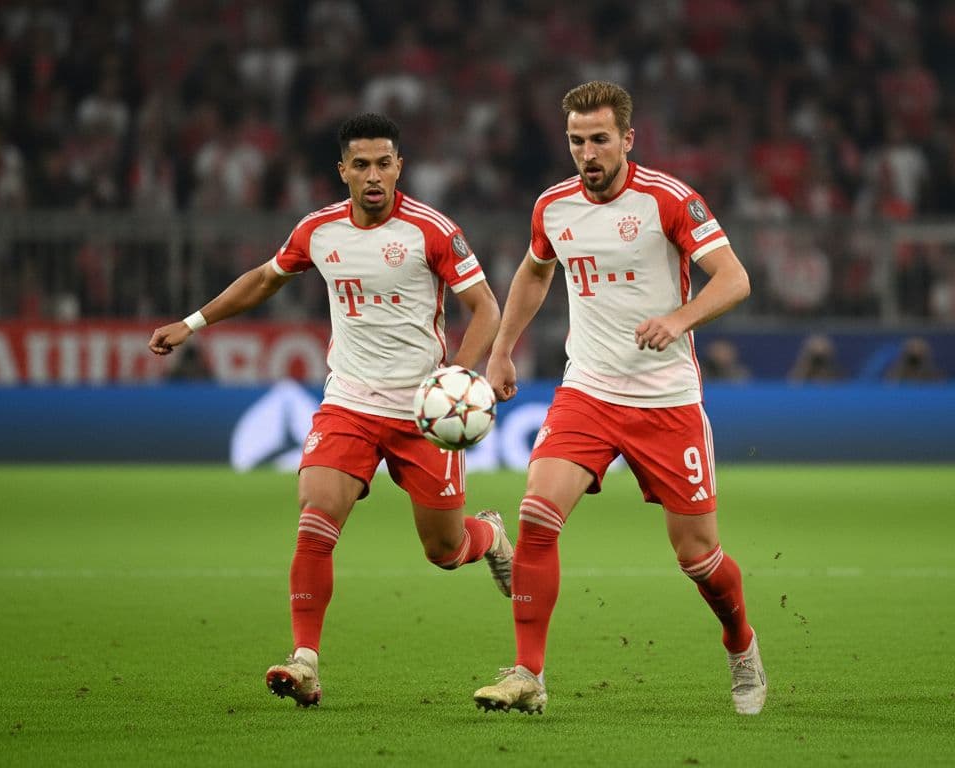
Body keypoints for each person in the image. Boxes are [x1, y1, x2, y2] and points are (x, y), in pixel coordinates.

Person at [148, 113, 511, 708]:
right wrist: (193, 323)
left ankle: (491, 537)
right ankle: (306, 661)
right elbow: (265, 280)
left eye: (384, 163)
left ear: (400, 167)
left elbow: (485, 307)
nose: (373, 175)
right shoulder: (318, 229)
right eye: (361, 164)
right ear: (342, 170)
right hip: (348, 402)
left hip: (424, 412)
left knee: (444, 551)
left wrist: (456, 380)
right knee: (316, 514)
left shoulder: (432, 230)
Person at [471, 81, 766, 716]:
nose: (588, 153)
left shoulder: (669, 199)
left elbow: (735, 278)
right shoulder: (553, 206)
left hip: (667, 402)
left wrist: (680, 319)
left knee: (698, 557)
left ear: (628, 139)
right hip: (589, 392)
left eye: (600, 139)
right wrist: (500, 348)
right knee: (537, 516)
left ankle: (741, 644)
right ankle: (528, 673)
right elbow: (535, 270)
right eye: (577, 141)